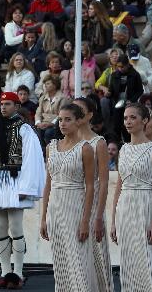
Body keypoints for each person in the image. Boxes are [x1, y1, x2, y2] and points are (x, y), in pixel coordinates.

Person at [0, 91, 45, 290]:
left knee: (16, 227)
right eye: (2, 104)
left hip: (15, 181)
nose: (3, 107)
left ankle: (19, 272)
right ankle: (5, 272)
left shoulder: (25, 129)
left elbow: (31, 159)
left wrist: (26, 187)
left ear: (16, 106)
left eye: (8, 104)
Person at [110, 103, 152, 291]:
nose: (128, 121)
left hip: (146, 206)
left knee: (150, 261)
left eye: (133, 117)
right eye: (126, 118)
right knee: (130, 261)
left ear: (144, 121)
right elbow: (119, 187)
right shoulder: (124, 150)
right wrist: (113, 221)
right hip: (125, 209)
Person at [39, 102, 97, 292]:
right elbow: (48, 184)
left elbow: (90, 186)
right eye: (60, 120)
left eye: (68, 120)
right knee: (61, 264)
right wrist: (43, 218)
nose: (63, 124)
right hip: (55, 211)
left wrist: (85, 220)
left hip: (76, 209)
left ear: (78, 121)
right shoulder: (51, 147)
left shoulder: (86, 149)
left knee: (79, 265)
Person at [72, 97, 113, 292]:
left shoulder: (99, 143)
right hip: (69, 205)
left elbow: (103, 181)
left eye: (79, 109)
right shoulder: (65, 142)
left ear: (89, 115)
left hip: (93, 202)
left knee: (96, 258)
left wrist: (98, 215)